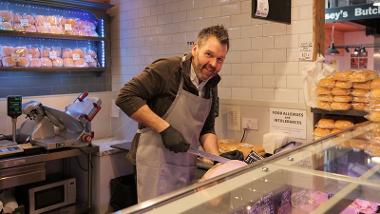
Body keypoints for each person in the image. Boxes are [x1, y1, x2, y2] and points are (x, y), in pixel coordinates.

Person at [115, 25, 244, 203]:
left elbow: (207, 130)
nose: (214, 64)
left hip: (185, 166)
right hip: (155, 165)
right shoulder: (168, 69)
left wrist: (216, 161)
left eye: (220, 59)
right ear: (195, 49)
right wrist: (165, 129)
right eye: (209, 54)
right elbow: (125, 97)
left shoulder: (211, 84)